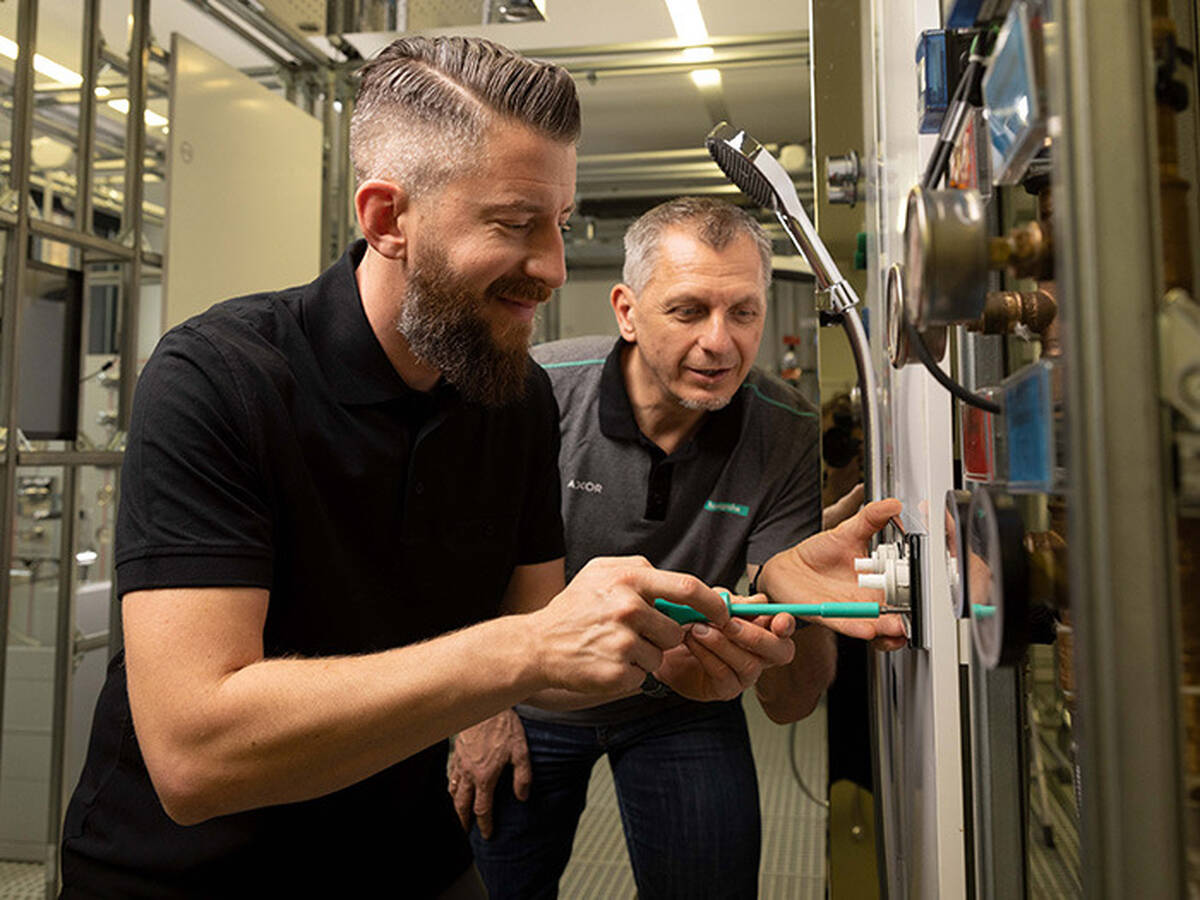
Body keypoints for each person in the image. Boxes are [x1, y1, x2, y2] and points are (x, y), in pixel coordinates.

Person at [58, 38, 769, 899]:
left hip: (412, 858)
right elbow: (194, 753)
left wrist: (667, 654)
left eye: (559, 223)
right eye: (514, 224)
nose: (551, 266)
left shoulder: (515, 402)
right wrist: (524, 648)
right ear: (388, 220)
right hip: (191, 877)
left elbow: (545, 645)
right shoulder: (220, 380)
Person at [451, 198, 906, 899]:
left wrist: (803, 610)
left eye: (744, 312)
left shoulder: (783, 429)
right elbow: (456, 569)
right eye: (689, 311)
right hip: (526, 696)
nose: (721, 343)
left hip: (677, 702)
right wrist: (478, 712)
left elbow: (790, 703)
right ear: (627, 311)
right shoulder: (537, 392)